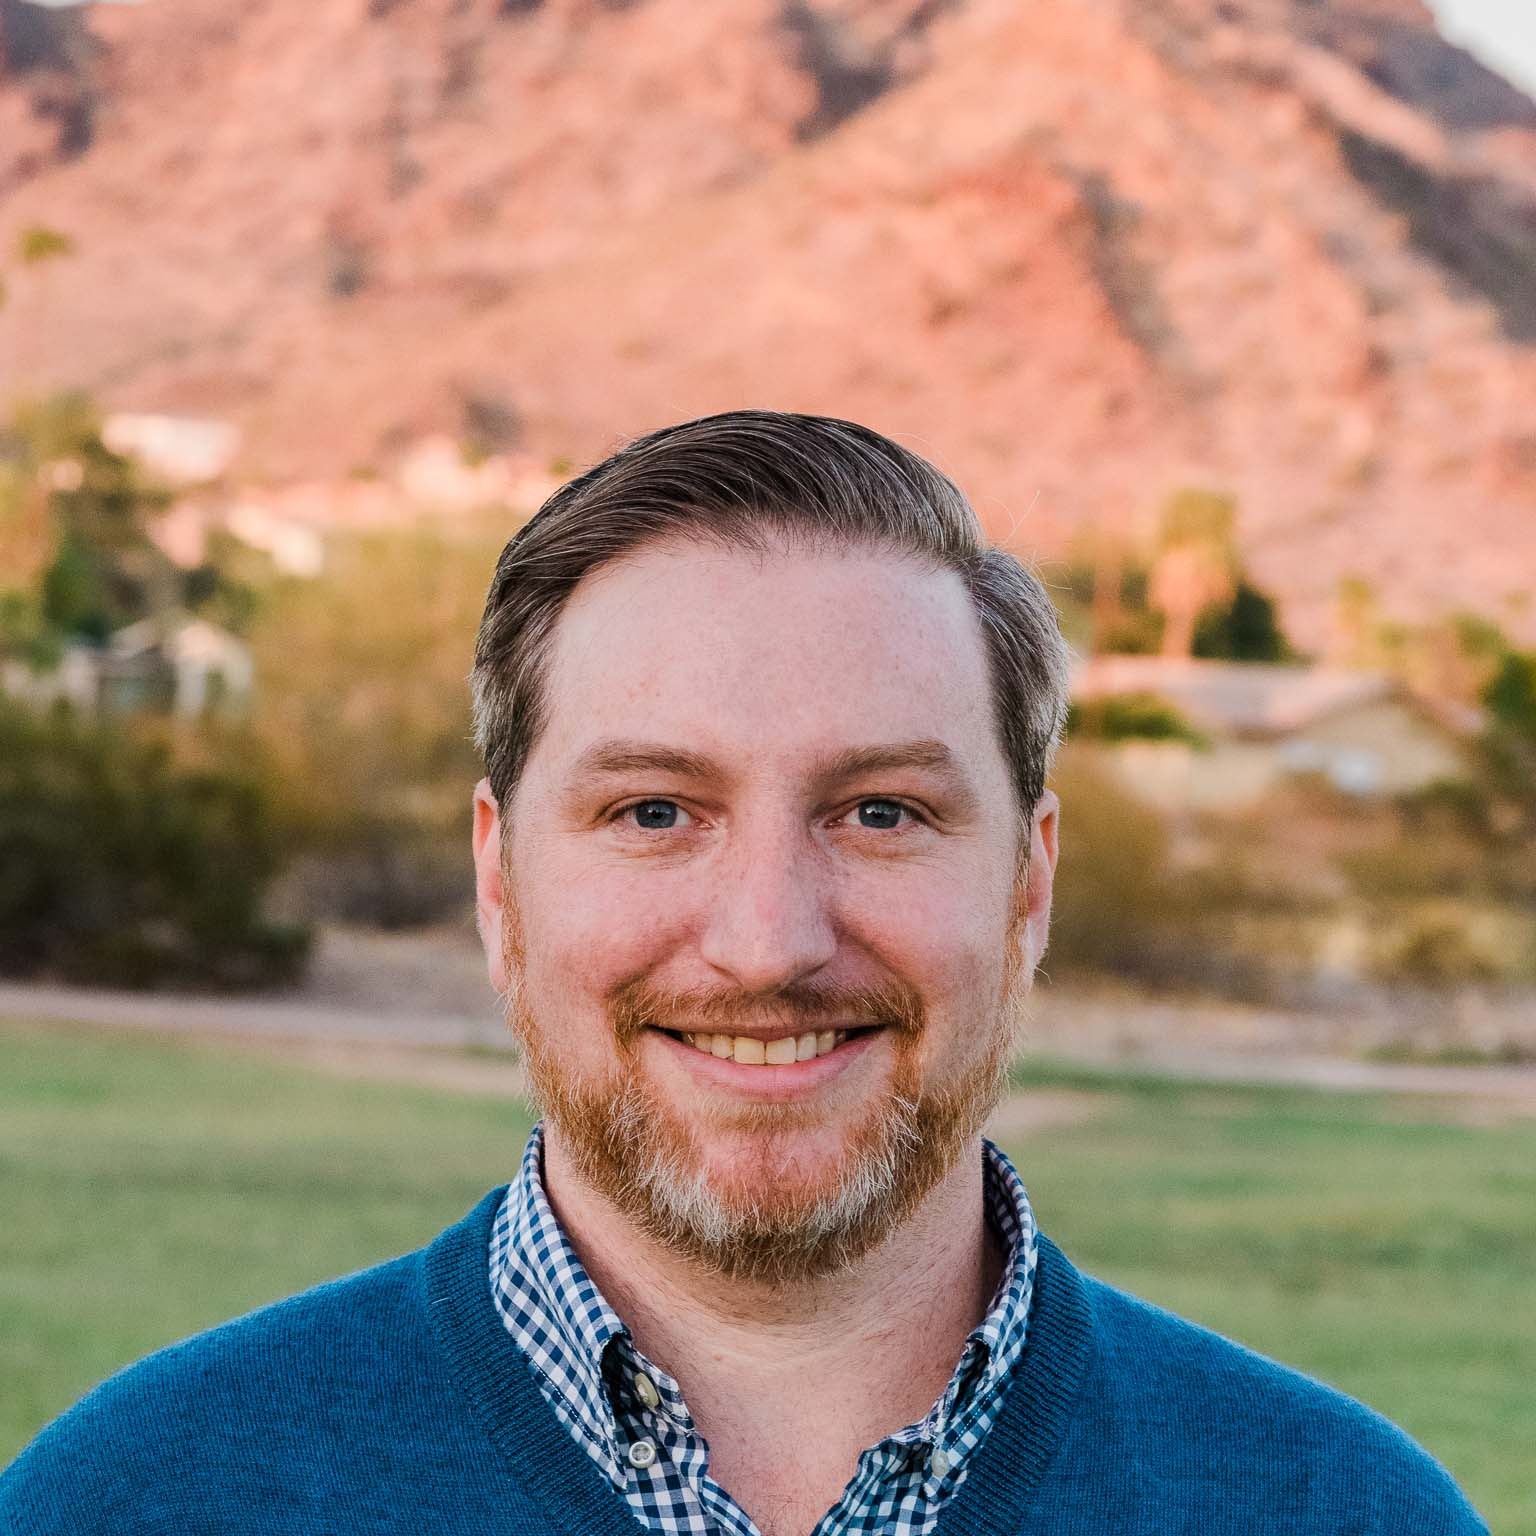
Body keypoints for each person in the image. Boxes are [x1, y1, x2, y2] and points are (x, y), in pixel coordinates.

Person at [0, 411, 1486, 1535]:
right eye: (654, 812)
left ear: (1030, 880)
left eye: (882, 812)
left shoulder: (1348, 1510)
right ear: (497, 877)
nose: (769, 942)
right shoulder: (127, 1502)